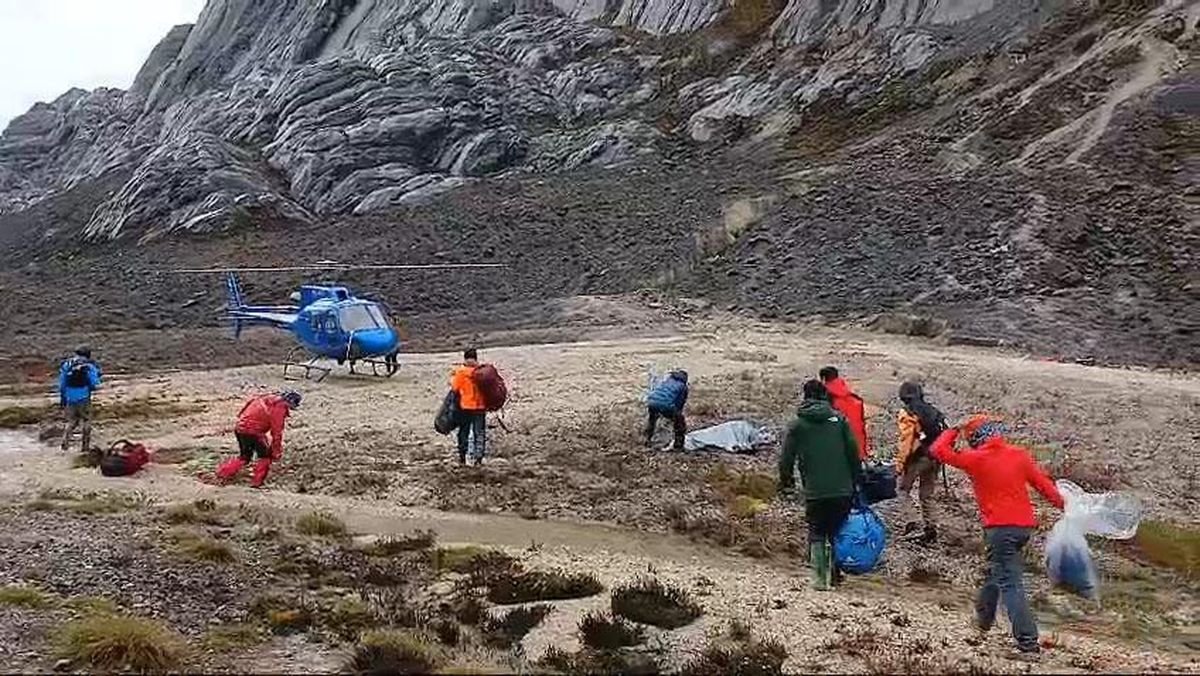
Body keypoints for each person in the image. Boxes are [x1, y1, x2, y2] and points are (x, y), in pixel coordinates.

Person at [931, 415, 1064, 657]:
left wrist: (953, 430)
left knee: (1010, 583)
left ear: (975, 438)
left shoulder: (976, 459)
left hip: (999, 528)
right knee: (998, 571)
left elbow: (938, 450)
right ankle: (984, 618)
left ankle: (1027, 643)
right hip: (1024, 527)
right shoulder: (1019, 455)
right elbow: (1044, 486)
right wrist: (1067, 507)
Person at [779, 379, 863, 591]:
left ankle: (819, 577)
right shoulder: (840, 420)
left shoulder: (797, 425)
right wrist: (855, 480)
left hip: (815, 490)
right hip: (842, 488)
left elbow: (786, 458)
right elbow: (853, 453)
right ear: (825, 396)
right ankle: (834, 575)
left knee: (817, 530)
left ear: (805, 396)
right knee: (836, 530)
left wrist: (786, 483)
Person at [215, 390, 302, 488]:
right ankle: (257, 483)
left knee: (244, 457)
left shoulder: (264, 397)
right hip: (254, 432)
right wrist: (276, 451)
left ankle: (222, 474)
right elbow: (277, 432)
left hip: (240, 428)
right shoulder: (279, 408)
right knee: (265, 456)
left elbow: (243, 410)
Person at [895, 381, 947, 545]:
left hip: (917, 458)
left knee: (902, 490)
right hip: (935, 457)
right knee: (927, 494)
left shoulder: (908, 413)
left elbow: (907, 441)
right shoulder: (933, 410)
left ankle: (913, 523)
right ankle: (931, 528)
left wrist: (900, 463)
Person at [58, 346, 102, 454]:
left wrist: (63, 397)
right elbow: (95, 383)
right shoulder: (89, 366)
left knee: (72, 421)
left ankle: (65, 442)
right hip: (84, 396)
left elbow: (62, 383)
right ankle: (85, 446)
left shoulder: (67, 364)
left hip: (69, 397)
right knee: (86, 420)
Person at [820, 366, 870, 460]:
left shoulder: (828, 400)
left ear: (824, 379)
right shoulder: (855, 399)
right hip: (858, 451)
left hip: (840, 453)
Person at [451, 348, 487, 465]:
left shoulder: (461, 372)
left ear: (465, 358)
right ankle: (478, 459)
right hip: (480, 406)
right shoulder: (482, 372)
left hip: (465, 407)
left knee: (463, 432)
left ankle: (463, 457)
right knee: (479, 432)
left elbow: (455, 388)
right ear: (476, 358)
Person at [644, 370, 689, 451]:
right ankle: (678, 446)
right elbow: (680, 403)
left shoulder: (667, 381)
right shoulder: (683, 386)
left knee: (652, 421)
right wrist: (676, 417)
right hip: (665, 404)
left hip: (652, 401)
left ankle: (647, 439)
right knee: (680, 423)